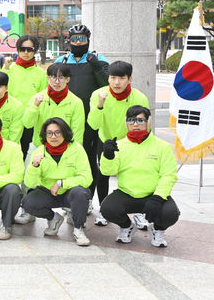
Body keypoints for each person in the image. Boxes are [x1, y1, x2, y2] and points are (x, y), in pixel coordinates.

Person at [100, 106, 179, 247]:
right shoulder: (119, 145)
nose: (135, 124)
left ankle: (158, 229)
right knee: (107, 209)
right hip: (127, 193)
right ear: (126, 123)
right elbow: (108, 171)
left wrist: (158, 198)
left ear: (148, 122)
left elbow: (169, 175)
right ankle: (127, 226)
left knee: (171, 213)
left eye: (140, 120)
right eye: (131, 120)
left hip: (152, 195)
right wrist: (108, 156)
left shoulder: (162, 147)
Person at [55, 24, 110, 216]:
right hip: (67, 119)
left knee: (92, 161)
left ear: (88, 40)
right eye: (74, 39)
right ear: (69, 40)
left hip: (93, 119)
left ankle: (92, 200)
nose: (78, 42)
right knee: (70, 160)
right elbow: (54, 85)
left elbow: (107, 85)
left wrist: (95, 65)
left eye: (82, 39)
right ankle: (72, 197)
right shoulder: (61, 60)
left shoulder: (99, 60)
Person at [87, 60, 149, 226]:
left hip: (131, 140)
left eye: (121, 78)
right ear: (108, 79)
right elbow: (93, 124)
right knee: (103, 174)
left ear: (130, 79)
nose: (116, 82)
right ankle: (103, 210)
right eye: (113, 77)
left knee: (135, 174)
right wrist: (100, 105)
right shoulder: (98, 94)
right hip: (106, 139)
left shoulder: (140, 97)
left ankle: (138, 212)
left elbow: (144, 125)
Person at [21, 118, 92, 246]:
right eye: (49, 133)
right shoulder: (39, 151)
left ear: (65, 133)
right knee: (28, 202)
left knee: (81, 192)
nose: (53, 137)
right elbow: (29, 183)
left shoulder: (77, 149)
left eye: (58, 132)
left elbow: (87, 178)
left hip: (69, 192)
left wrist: (61, 183)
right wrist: (34, 165)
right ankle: (53, 218)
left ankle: (78, 229)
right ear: (45, 135)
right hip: (48, 192)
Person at [4, 35, 47, 157]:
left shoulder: (41, 73)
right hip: (11, 118)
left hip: (31, 119)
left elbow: (43, 98)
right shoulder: (9, 69)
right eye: (23, 49)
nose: (26, 52)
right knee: (9, 152)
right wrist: (5, 68)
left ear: (35, 50)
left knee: (28, 153)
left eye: (30, 49)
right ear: (17, 50)